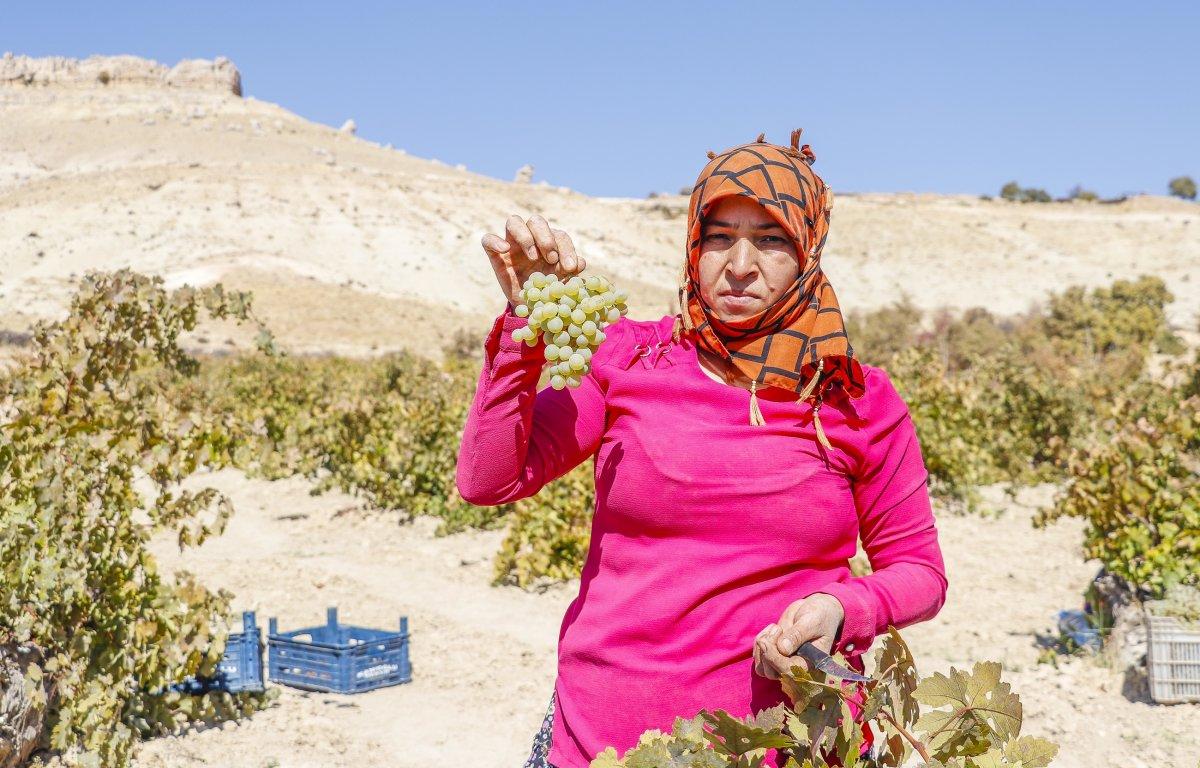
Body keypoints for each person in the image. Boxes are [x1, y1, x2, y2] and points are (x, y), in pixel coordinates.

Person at [457, 130, 948, 768]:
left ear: (807, 250)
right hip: (603, 738)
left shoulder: (857, 401)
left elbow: (921, 574)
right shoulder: (630, 358)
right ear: (694, 244)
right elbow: (488, 481)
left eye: (770, 240)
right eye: (720, 237)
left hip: (782, 745)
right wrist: (528, 325)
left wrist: (843, 606)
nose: (739, 264)